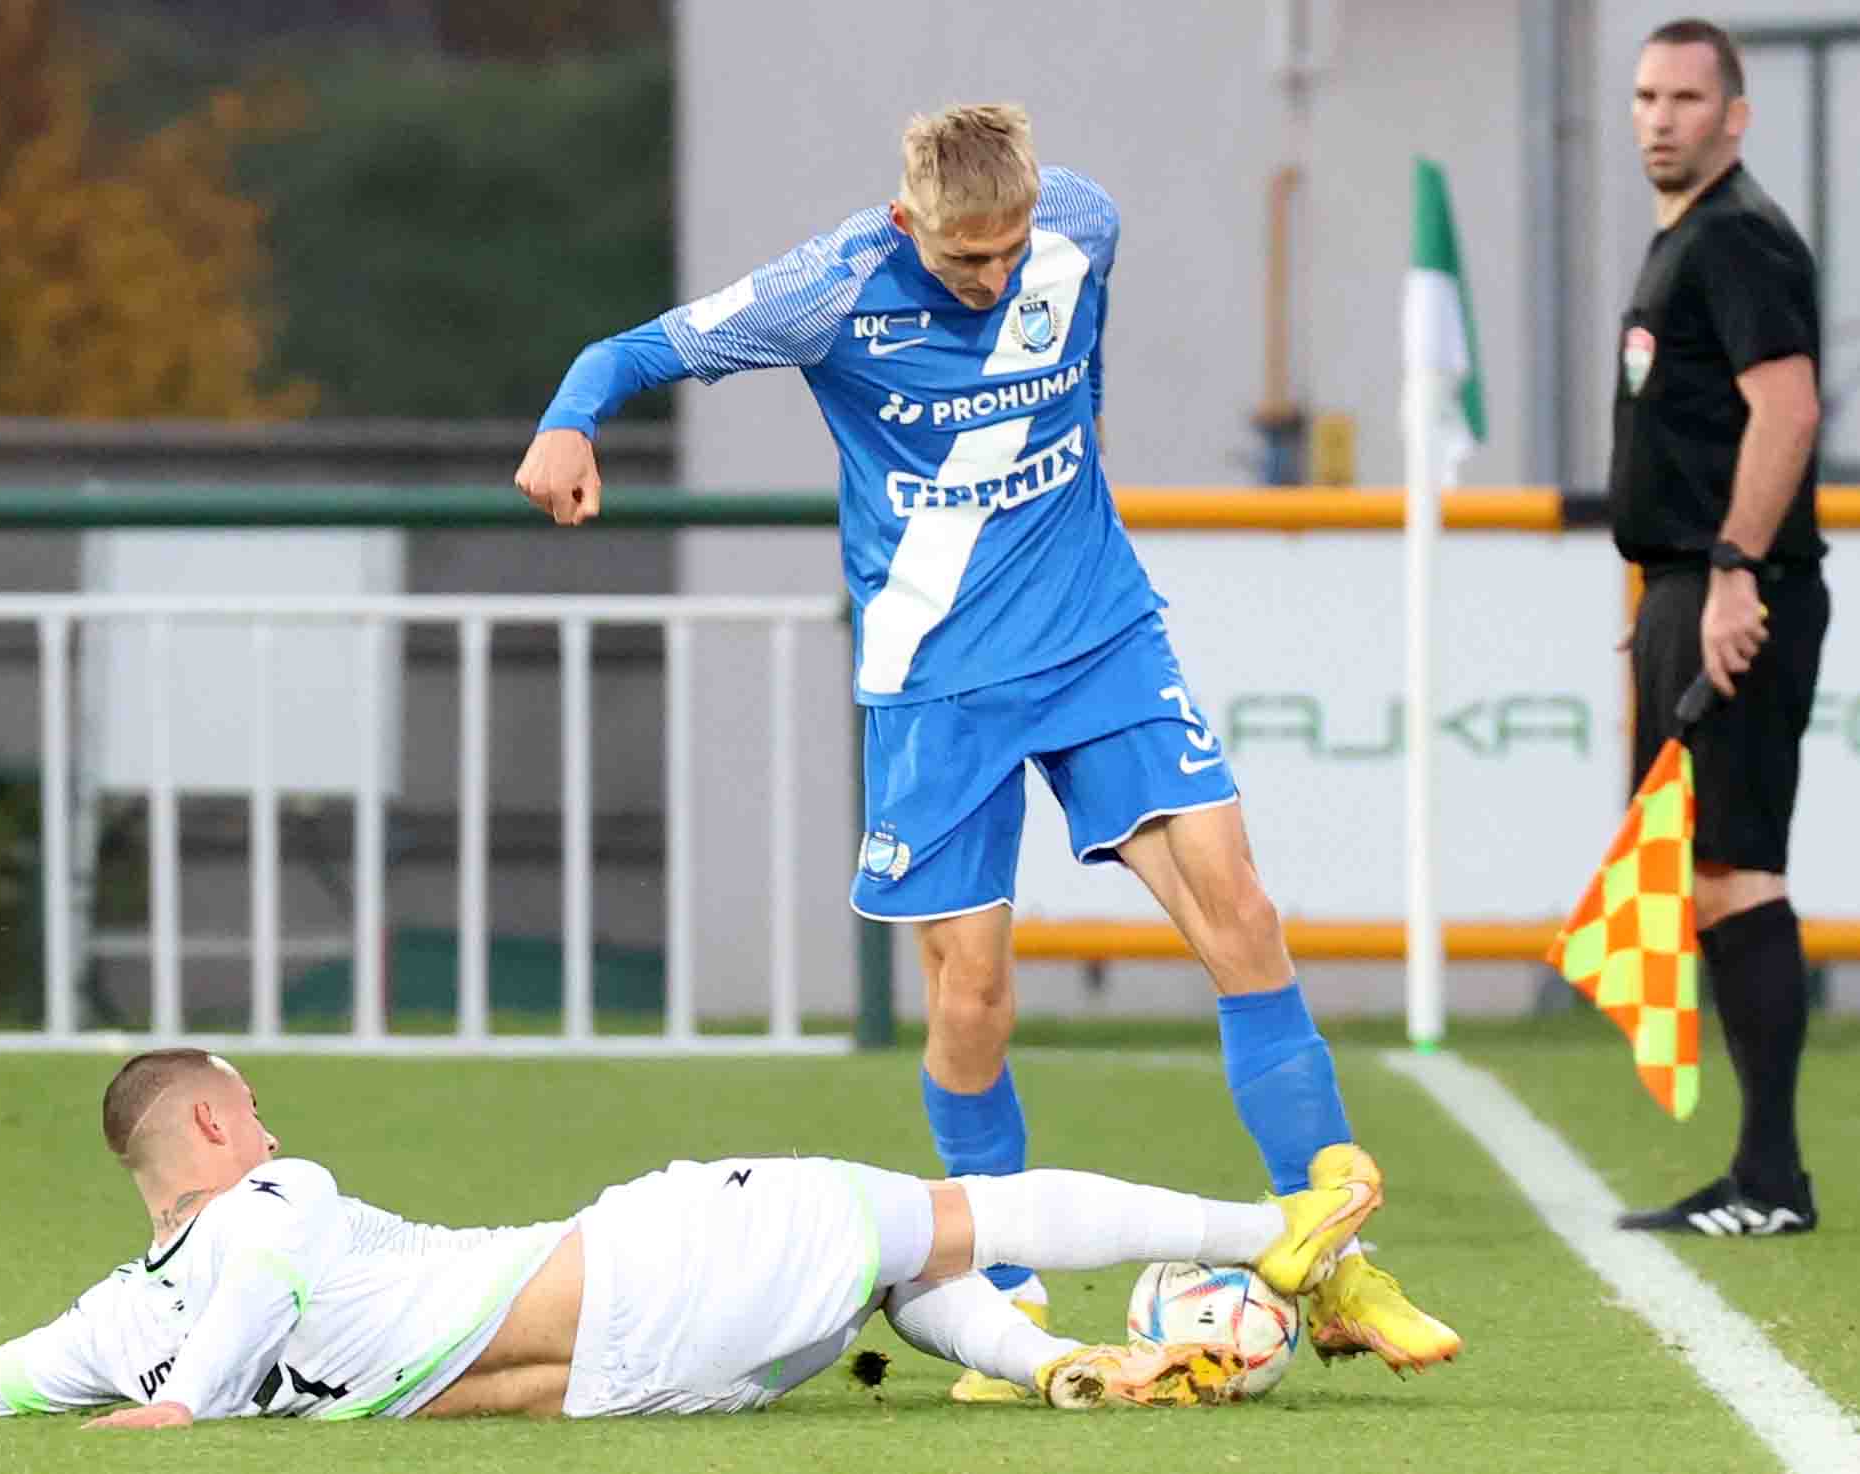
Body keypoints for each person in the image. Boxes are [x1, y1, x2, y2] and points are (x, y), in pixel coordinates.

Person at [513, 102, 1457, 1387]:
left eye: (1010, 249)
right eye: (966, 257)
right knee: (974, 995)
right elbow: (633, 349)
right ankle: (1003, 1291)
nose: (996, 274)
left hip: (1098, 637)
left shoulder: (1081, 220)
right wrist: (569, 421)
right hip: (936, 677)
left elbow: (1074, 338)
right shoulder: (828, 289)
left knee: (1240, 907)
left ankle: (1335, 1260)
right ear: (907, 220)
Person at [0, 1049, 1386, 1424]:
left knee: (904, 1269)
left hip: (647, 1385)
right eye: (253, 1107)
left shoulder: (116, 1317)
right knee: (956, 1214)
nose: (273, 1129)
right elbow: (262, 1279)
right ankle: (1275, 1224)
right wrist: (187, 1403)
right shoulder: (277, 1201)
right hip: (657, 1263)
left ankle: (1058, 1361)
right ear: (211, 1131)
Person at [1607, 20, 1828, 1238]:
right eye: (1647, 95)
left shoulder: (1738, 236)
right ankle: (1761, 1170)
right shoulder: (1686, 238)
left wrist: (1733, 572)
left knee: (1738, 870)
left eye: (1687, 98)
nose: (1661, 117)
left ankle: (1771, 1179)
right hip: (1686, 587)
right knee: (1700, 876)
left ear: (1734, 116)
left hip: (1735, 585)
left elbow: (1786, 410)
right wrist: (1667, 595)